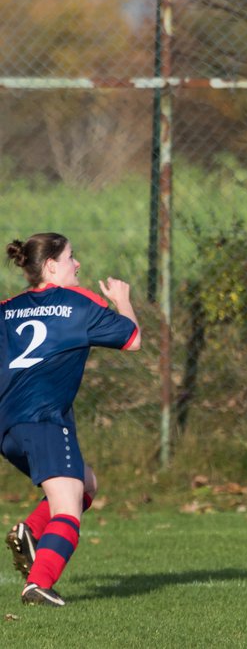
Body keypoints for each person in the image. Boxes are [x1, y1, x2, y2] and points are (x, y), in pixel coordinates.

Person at [2, 233, 141, 606]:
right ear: (50, 266)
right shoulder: (78, 303)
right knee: (67, 508)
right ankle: (39, 584)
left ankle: (31, 532)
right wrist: (122, 301)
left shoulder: (6, 308)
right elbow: (132, 338)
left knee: (86, 482)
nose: (76, 264)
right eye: (70, 257)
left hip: (8, 429)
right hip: (46, 420)